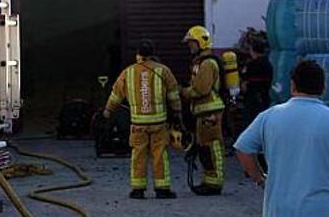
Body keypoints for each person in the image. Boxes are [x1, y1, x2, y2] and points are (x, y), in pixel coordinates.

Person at [235, 60, 329, 217]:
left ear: (292, 85)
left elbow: (243, 149)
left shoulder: (269, 116)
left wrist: (260, 178)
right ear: (323, 88)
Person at [104, 40, 182, 199]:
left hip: (138, 124)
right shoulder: (163, 71)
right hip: (159, 123)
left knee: (138, 155)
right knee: (159, 154)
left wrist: (107, 111)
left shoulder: (128, 72)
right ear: (153, 54)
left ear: (138, 54)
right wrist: (178, 113)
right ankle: (162, 189)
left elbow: (116, 94)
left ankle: (138, 190)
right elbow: (173, 95)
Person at [180, 26, 239, 195]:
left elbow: (201, 89)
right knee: (204, 146)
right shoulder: (201, 61)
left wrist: (183, 91)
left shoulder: (207, 63)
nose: (189, 46)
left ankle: (215, 183)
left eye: (192, 43)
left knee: (212, 146)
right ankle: (209, 180)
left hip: (210, 111)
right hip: (203, 111)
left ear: (201, 42)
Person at [241, 39, 273, 124]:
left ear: (253, 51)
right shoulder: (269, 63)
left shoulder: (250, 65)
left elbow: (244, 79)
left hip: (252, 97)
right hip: (265, 96)